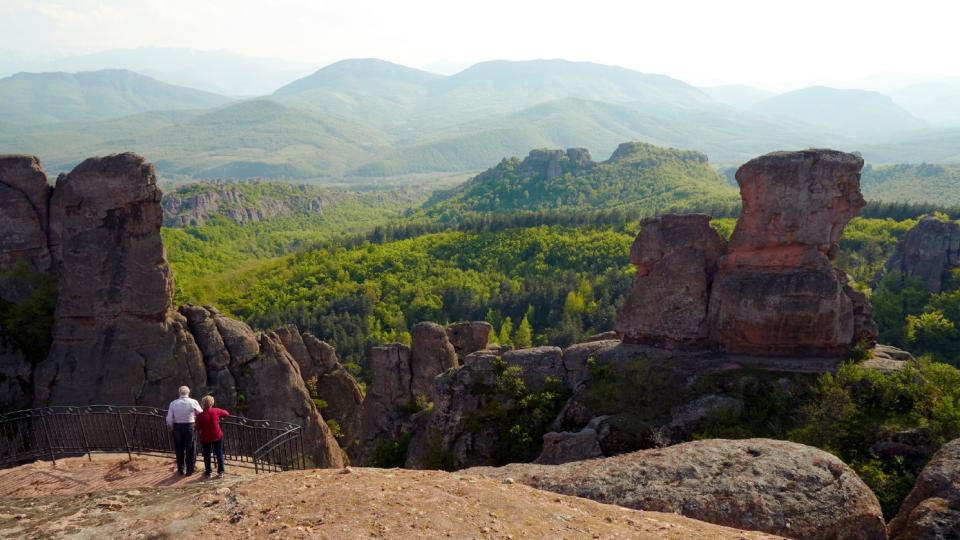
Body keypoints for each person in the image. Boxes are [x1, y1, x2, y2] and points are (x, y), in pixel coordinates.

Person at [166, 385, 202, 476]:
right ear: (188, 392)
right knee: (190, 448)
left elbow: (169, 418)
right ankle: (190, 469)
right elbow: (201, 413)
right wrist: (196, 418)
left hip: (177, 427)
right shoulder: (193, 402)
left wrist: (171, 426)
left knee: (179, 448)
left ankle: (181, 469)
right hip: (190, 426)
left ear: (179, 393)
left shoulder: (173, 403)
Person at [195, 395, 230, 478]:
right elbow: (227, 413)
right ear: (212, 403)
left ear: (203, 404)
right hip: (217, 435)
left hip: (206, 437)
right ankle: (221, 471)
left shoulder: (200, 416)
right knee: (219, 453)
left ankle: (208, 472)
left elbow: (198, 428)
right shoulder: (216, 411)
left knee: (207, 454)